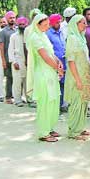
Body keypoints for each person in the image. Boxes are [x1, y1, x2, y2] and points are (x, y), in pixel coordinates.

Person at [27, 13, 63, 142]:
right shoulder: (35, 37)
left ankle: (50, 128)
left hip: (51, 72)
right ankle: (43, 132)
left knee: (53, 101)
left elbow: (51, 53)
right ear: (38, 24)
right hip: (43, 73)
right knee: (45, 103)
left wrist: (59, 63)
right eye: (45, 25)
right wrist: (57, 68)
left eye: (48, 24)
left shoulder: (44, 36)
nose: (48, 27)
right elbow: (45, 57)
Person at [65, 15, 90, 141]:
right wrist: (78, 79)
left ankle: (80, 127)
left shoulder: (81, 38)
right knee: (76, 103)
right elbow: (71, 61)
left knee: (83, 102)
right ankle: (73, 131)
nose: (85, 25)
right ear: (75, 24)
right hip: (77, 76)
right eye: (83, 23)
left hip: (84, 75)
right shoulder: (72, 38)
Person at [47, 14, 68, 112]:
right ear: (51, 23)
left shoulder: (61, 32)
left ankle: (61, 105)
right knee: (55, 84)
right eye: (56, 22)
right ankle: (54, 107)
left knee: (62, 84)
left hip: (63, 62)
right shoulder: (48, 34)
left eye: (60, 22)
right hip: (53, 63)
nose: (58, 24)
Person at [8, 17, 29, 107]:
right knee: (17, 82)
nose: (22, 26)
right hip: (18, 61)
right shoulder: (14, 36)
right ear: (17, 25)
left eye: (23, 24)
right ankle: (17, 100)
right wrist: (14, 62)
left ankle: (29, 99)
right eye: (20, 24)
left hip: (27, 62)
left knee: (28, 82)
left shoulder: (28, 35)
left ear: (26, 25)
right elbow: (10, 50)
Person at [25, 8, 42, 107]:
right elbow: (26, 44)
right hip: (32, 55)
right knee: (31, 76)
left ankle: (39, 98)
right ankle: (31, 98)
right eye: (34, 15)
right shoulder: (28, 29)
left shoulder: (42, 28)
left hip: (41, 56)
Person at [0, 11, 17, 104]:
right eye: (10, 18)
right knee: (9, 78)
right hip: (7, 58)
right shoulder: (3, 32)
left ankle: (17, 96)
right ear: (7, 19)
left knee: (18, 78)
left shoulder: (18, 30)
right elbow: (1, 47)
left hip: (18, 58)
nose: (12, 19)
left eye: (14, 17)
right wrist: (3, 60)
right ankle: (8, 97)